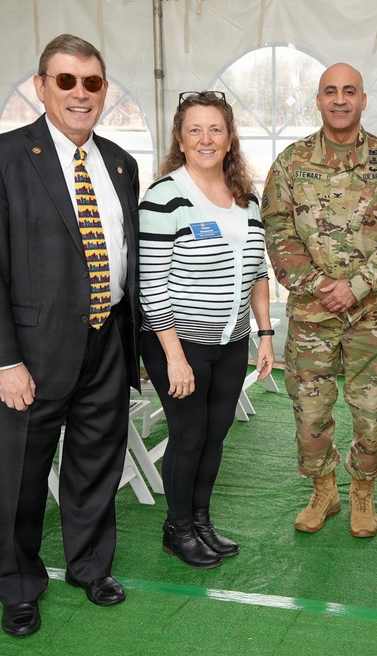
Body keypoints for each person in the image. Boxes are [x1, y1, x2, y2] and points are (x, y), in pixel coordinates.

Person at [0, 34, 140, 637]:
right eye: (66, 80)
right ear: (41, 86)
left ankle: (90, 567)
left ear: (104, 89)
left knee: (97, 461)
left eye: (92, 82)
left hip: (107, 340)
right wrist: (4, 360)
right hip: (32, 353)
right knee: (19, 475)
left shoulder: (120, 162)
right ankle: (17, 585)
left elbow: (127, 257)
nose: (80, 93)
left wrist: (134, 344)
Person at [261, 63, 377, 538]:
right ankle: (324, 491)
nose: (340, 99)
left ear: (363, 99)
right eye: (330, 91)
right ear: (318, 100)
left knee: (372, 412)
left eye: (349, 91)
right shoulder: (291, 162)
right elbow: (277, 229)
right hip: (312, 314)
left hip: (371, 314)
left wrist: (356, 286)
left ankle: (362, 491)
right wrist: (320, 285)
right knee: (311, 413)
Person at [139, 91, 273, 569]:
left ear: (230, 138)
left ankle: (200, 521)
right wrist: (174, 357)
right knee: (189, 434)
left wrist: (264, 335)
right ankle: (177, 530)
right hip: (179, 342)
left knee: (215, 434)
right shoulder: (164, 197)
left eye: (215, 129)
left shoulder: (246, 199)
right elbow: (151, 284)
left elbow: (258, 271)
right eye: (194, 129)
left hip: (231, 341)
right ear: (179, 139)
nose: (205, 138)